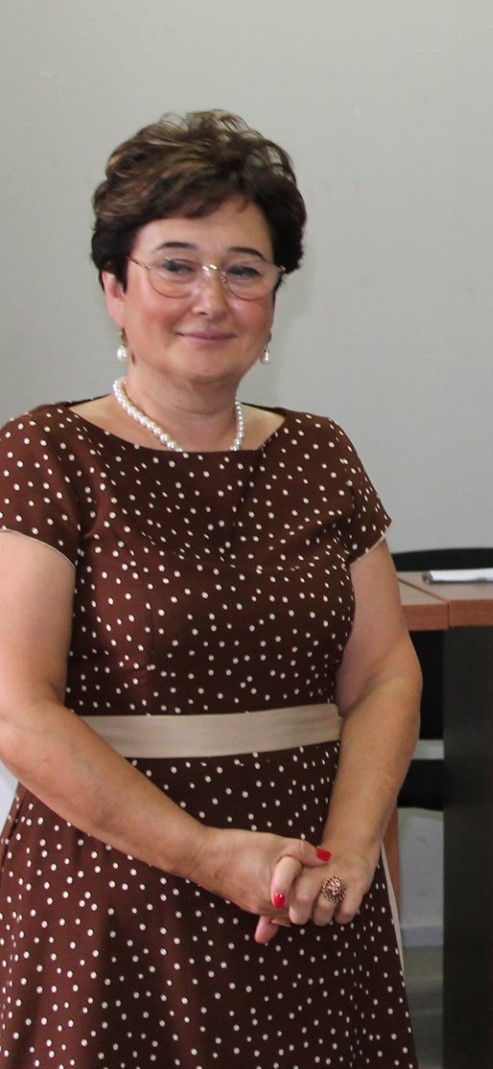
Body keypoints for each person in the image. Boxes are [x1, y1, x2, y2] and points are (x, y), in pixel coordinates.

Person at [0, 112, 421, 1066]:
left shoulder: (321, 452)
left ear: (276, 295)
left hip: (308, 889)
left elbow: (386, 672)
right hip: (115, 889)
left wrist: (351, 850)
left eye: (244, 269)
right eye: (176, 265)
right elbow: (19, 707)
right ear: (114, 287)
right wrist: (203, 852)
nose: (211, 298)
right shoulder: (47, 453)